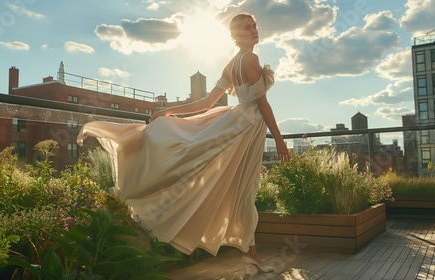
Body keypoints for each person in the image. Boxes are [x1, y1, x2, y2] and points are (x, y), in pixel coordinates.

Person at [77, 13, 289, 275]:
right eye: (247, 27)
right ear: (236, 35)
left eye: (254, 25)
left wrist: (169, 111)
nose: (254, 30)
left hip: (241, 125)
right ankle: (251, 253)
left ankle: (250, 253)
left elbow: (205, 103)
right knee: (242, 191)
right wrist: (279, 140)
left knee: (239, 189)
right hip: (244, 128)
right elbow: (262, 104)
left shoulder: (232, 63)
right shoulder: (250, 59)